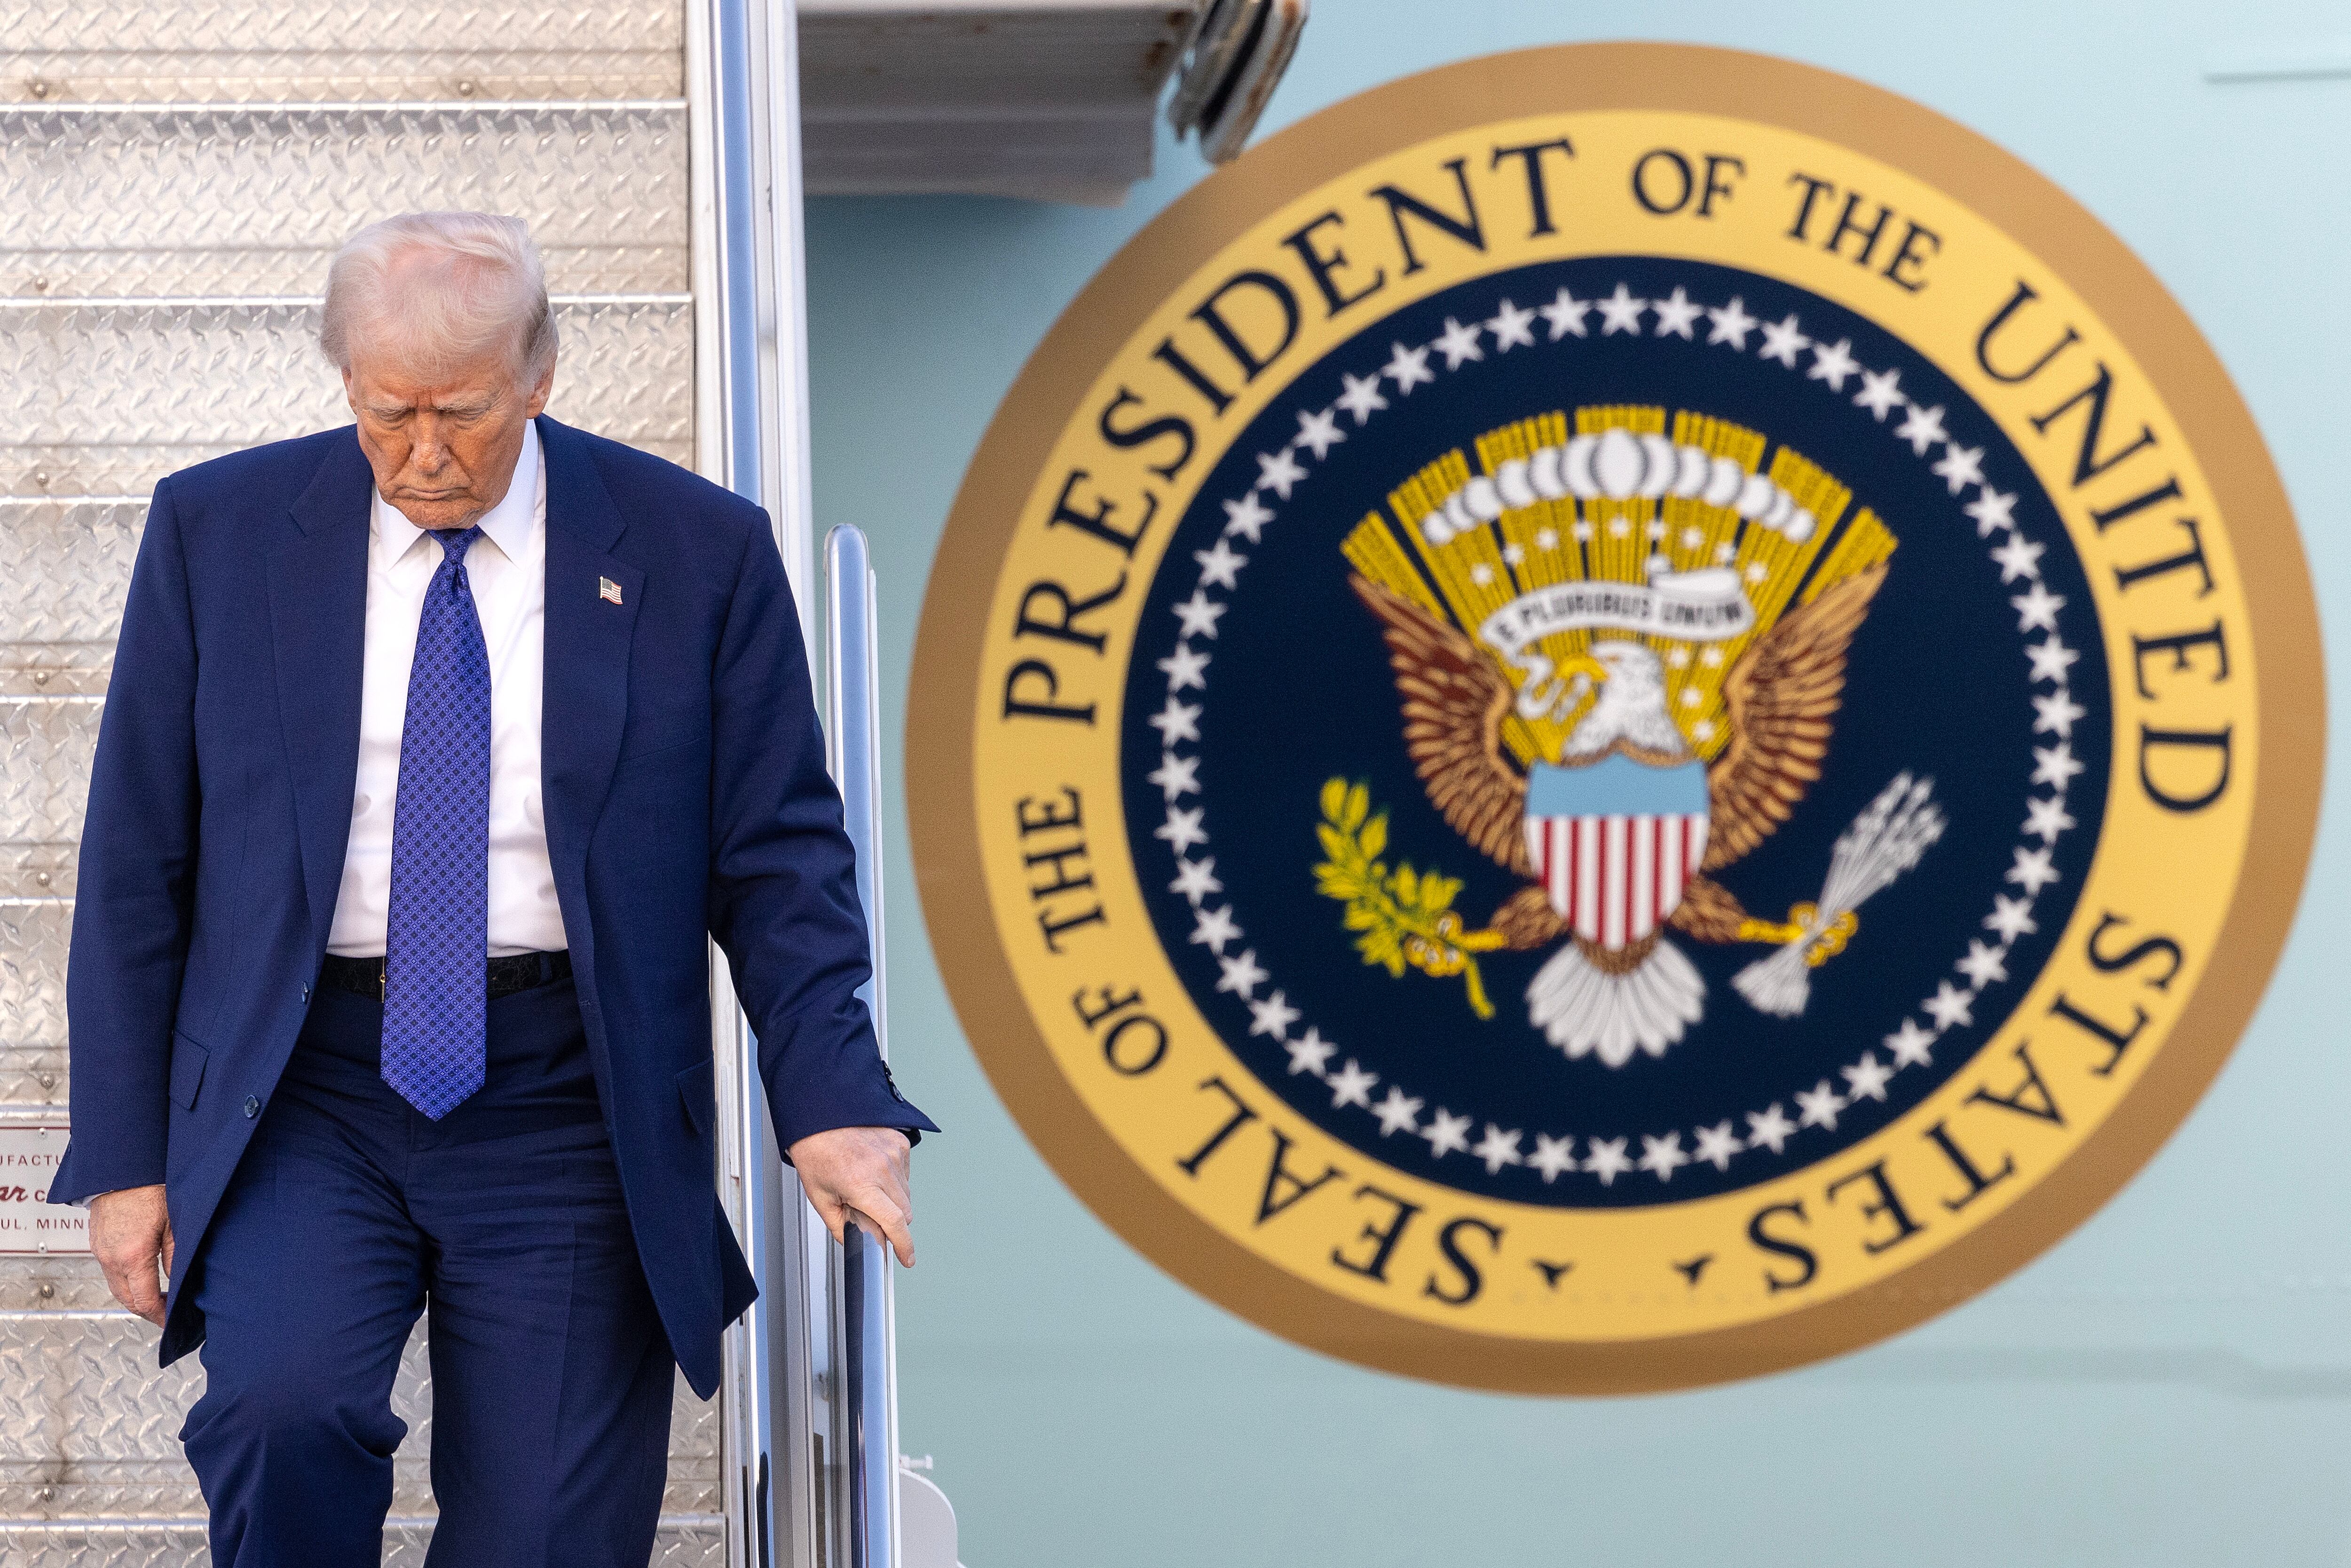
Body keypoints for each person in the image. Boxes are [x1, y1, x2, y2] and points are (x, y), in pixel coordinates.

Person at [53, 210, 935, 1566]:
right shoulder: (218, 532)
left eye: (458, 412)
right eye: (382, 411)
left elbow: (778, 858)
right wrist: (122, 1158)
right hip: (305, 1086)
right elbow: (134, 861)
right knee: (284, 1413)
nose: (419, 453)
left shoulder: (700, 551)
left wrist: (831, 1100)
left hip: (566, 1099)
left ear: (540, 375)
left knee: (548, 1539)